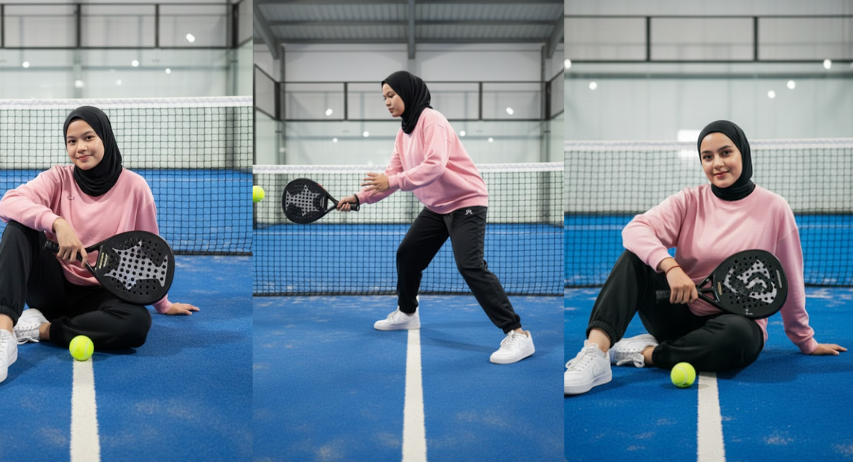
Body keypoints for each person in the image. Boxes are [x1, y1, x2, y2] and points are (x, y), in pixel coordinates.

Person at [564, 120, 846, 395]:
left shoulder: (775, 208)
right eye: (707, 157)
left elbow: (789, 281)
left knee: (738, 340)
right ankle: (596, 353)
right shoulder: (690, 201)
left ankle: (646, 354)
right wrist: (670, 265)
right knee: (635, 257)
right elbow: (635, 229)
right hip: (677, 311)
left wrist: (805, 341)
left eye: (726, 152)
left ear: (743, 153)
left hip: (736, 322)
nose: (717, 164)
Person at [0, 106, 198, 386]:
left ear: (105, 137)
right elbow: (7, 202)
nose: (80, 147)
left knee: (137, 324)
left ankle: (37, 330)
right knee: (18, 228)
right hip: (52, 289)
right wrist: (56, 222)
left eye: (88, 137)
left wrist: (162, 304)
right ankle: (3, 335)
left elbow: (148, 252)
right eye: (72, 141)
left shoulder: (135, 187)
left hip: (104, 295)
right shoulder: (59, 178)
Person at [336, 70, 534, 364]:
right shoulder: (403, 133)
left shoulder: (433, 120)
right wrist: (359, 198)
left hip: (466, 201)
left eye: (391, 95)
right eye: (384, 98)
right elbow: (389, 176)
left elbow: (435, 166)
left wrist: (392, 181)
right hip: (437, 207)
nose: (387, 102)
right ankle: (407, 313)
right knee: (407, 254)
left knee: (470, 265)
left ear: (408, 92)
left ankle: (518, 334)